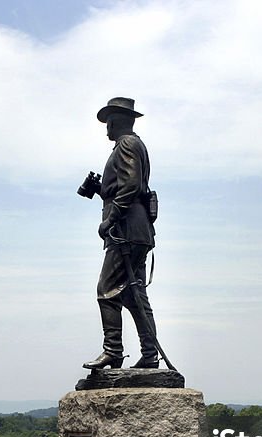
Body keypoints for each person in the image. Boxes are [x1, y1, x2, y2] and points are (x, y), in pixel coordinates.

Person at [83, 97, 160, 370]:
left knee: (107, 291)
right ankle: (150, 354)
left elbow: (130, 184)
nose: (106, 129)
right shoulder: (132, 145)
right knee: (132, 294)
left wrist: (111, 217)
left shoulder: (127, 144)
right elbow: (126, 184)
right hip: (136, 229)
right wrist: (102, 189)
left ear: (116, 122)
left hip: (127, 229)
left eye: (108, 123)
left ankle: (113, 351)